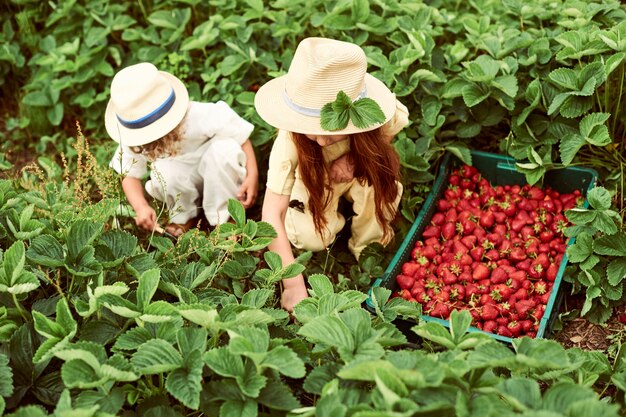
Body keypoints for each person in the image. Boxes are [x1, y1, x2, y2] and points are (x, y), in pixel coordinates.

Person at [254, 37, 409, 311]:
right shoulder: (290, 143)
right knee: (313, 238)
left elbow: (386, 137)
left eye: (331, 129)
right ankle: (332, 220)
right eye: (311, 126)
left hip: (356, 173)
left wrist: (353, 159)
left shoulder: (376, 117)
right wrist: (293, 283)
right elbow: (271, 214)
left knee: (382, 188)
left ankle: (367, 248)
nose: (322, 140)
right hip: (314, 182)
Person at [105, 62, 258, 236]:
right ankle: (183, 217)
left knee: (224, 149)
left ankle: (226, 218)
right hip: (182, 181)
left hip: (217, 171)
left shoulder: (199, 115)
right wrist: (141, 207)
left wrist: (252, 175)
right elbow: (128, 173)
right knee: (163, 170)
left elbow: (241, 136)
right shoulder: (135, 138)